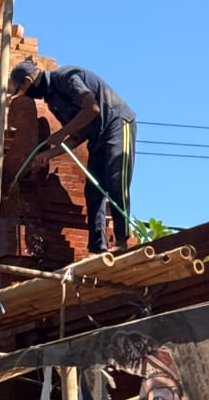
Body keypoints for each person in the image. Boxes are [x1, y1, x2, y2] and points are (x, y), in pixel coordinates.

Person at [9, 59, 136, 254]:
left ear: (28, 80)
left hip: (117, 125)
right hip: (96, 137)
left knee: (116, 181)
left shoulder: (65, 77)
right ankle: (98, 248)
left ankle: (122, 241)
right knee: (93, 190)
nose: (26, 96)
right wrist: (48, 154)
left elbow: (91, 108)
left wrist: (61, 133)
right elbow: (79, 135)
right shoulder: (53, 103)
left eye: (23, 90)